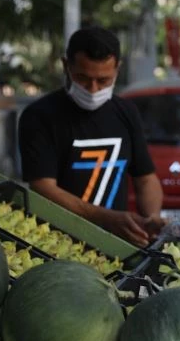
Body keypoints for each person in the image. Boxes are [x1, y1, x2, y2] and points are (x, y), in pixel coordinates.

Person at [18, 26, 165, 247]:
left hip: (117, 247)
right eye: (83, 78)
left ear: (117, 69)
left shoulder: (126, 112)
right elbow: (43, 188)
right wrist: (106, 218)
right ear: (66, 66)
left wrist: (152, 217)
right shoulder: (39, 116)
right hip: (57, 245)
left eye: (104, 80)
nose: (93, 89)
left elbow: (145, 179)